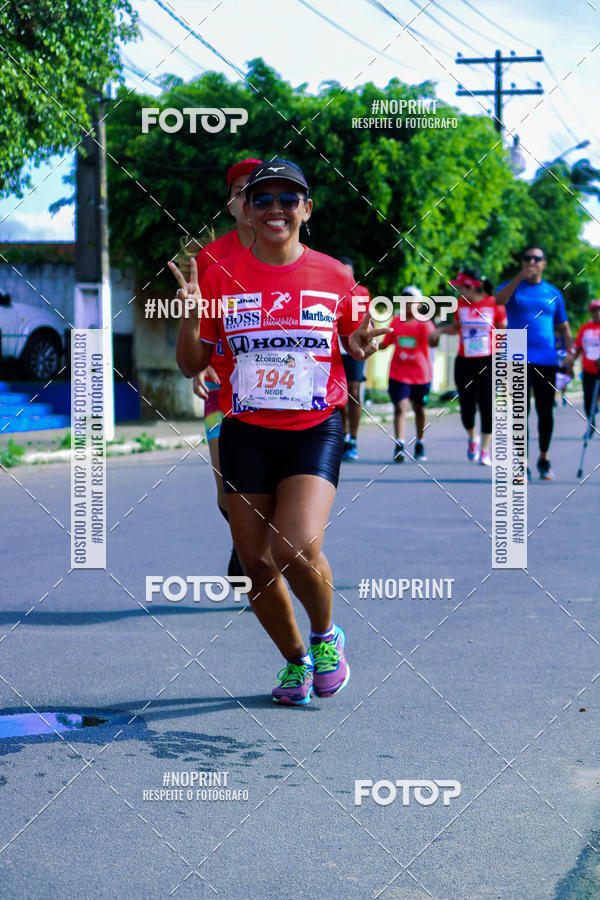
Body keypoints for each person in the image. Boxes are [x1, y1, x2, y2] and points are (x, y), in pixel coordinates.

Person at [170, 159, 389, 705]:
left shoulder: (336, 276)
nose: (275, 209)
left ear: (306, 209)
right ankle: (296, 662)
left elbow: (357, 337)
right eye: (262, 199)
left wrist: (359, 346)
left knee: (295, 544)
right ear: (246, 207)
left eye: (288, 199)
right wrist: (190, 317)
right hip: (244, 428)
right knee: (253, 561)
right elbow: (192, 361)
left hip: (313, 427)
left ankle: (325, 636)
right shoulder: (218, 274)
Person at [174, 158, 261, 576]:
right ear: (230, 204)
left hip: (279, 392)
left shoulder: (289, 253)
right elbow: (198, 320)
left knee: (274, 486)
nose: (251, 199)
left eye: (259, 190)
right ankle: (242, 538)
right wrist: (196, 367)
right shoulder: (210, 259)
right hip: (221, 387)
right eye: (242, 191)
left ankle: (255, 555)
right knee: (229, 491)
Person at [495, 245, 574, 481]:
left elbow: (564, 327)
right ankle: (521, 463)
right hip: (517, 354)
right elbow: (497, 300)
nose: (532, 262)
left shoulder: (553, 293)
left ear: (544, 263)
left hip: (547, 358)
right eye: (527, 258)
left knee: (545, 412)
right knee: (520, 412)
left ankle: (544, 457)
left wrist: (570, 351)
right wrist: (519, 277)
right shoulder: (513, 288)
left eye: (536, 259)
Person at [429, 269, 506, 467]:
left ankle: (485, 451)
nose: (458, 290)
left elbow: (503, 330)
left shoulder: (493, 303)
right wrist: (440, 331)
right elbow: (456, 328)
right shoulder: (461, 305)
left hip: (487, 361)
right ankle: (473, 438)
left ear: (471, 286)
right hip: (464, 361)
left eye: (461, 286)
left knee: (487, 405)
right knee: (466, 407)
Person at [379, 286, 434, 462]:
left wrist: (440, 333)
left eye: (411, 301)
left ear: (419, 304)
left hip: (420, 375)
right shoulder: (395, 322)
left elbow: (433, 341)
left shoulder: (424, 324)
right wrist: (369, 343)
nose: (408, 304)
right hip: (398, 373)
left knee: (419, 409)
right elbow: (384, 344)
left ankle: (420, 442)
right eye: (404, 301)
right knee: (400, 407)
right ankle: (400, 444)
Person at [337, 257, 371, 460]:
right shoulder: (329, 290)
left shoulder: (362, 292)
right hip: (334, 347)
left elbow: (367, 319)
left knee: (354, 391)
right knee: (338, 394)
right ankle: (343, 434)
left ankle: (354, 438)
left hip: (354, 346)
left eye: (349, 272)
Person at [568, 299, 600, 434]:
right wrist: (570, 362)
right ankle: (591, 424)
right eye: (594, 310)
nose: (597, 313)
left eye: (599, 310)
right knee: (588, 400)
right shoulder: (584, 329)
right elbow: (578, 347)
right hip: (588, 370)